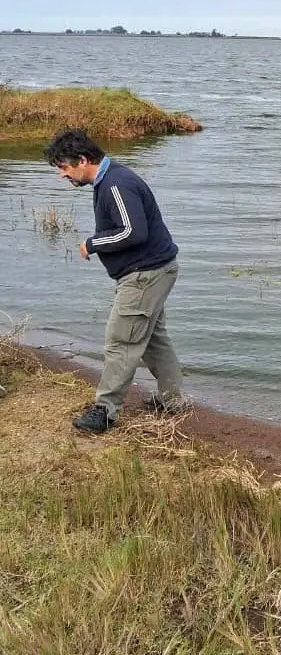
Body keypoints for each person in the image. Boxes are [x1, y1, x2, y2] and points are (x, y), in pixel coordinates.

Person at [44, 129, 184, 433]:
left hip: (145, 275)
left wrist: (93, 243)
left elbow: (133, 232)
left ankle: (104, 413)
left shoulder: (116, 184)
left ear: (82, 160)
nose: (62, 175)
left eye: (64, 167)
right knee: (152, 340)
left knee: (121, 342)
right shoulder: (110, 179)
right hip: (156, 270)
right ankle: (173, 401)